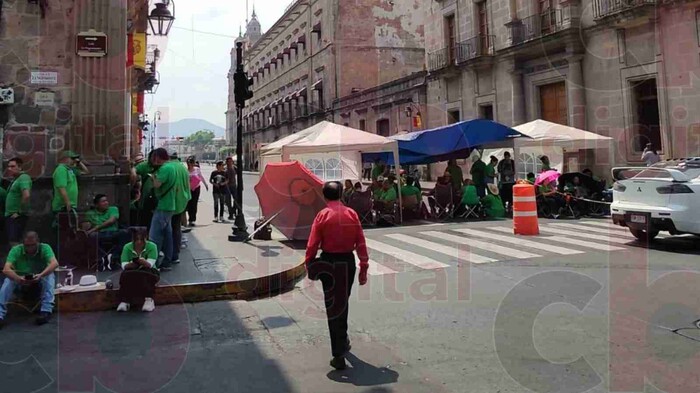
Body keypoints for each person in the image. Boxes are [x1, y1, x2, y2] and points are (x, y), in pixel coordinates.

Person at [304, 181, 369, 370]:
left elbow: (312, 244)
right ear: (341, 195)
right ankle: (343, 339)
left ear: (325, 196)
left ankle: (338, 353)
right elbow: (361, 242)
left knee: (333, 307)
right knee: (343, 303)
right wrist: (363, 266)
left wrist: (309, 263)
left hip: (329, 263)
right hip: (347, 263)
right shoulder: (351, 213)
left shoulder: (322, 215)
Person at [0, 232, 59, 328]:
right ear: (23, 244)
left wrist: (41, 275)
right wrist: (18, 278)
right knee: (8, 280)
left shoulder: (45, 248)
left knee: (49, 275)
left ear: (38, 243)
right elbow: (6, 269)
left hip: (39, 280)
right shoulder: (16, 250)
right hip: (20, 280)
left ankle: (46, 310)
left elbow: (54, 263)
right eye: (27, 246)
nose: (30, 248)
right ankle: (0, 315)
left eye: (33, 245)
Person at [147, 148, 181, 271]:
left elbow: (157, 184)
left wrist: (152, 178)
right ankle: (167, 261)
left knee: (154, 236)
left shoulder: (165, 169)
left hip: (162, 206)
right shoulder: (172, 167)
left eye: (153, 157)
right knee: (168, 235)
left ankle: (153, 264)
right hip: (169, 205)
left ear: (157, 157)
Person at [117, 228, 159, 313]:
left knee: (145, 273)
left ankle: (149, 300)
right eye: (136, 240)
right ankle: (125, 301)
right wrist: (133, 263)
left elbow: (150, 264)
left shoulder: (152, 246)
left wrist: (142, 261)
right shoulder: (127, 247)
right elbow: (124, 265)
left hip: (149, 270)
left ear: (146, 238)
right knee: (125, 274)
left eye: (141, 240)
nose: (139, 242)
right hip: (133, 269)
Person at [85, 194, 130, 271]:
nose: (106, 203)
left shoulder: (113, 209)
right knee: (91, 236)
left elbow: (111, 221)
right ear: (96, 205)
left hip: (113, 233)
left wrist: (95, 228)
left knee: (125, 233)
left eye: (106, 200)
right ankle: (100, 259)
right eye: (103, 201)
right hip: (99, 234)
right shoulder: (90, 213)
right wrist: (86, 226)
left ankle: (114, 257)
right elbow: (85, 226)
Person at [167, 151, 191, 265]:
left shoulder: (168, 167)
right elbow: (187, 184)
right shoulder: (183, 168)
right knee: (176, 228)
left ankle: (169, 254)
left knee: (168, 229)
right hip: (182, 200)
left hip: (170, 202)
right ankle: (175, 254)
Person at [52, 150, 89, 217]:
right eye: (72, 158)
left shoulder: (70, 170)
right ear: (65, 159)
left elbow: (86, 171)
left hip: (70, 205)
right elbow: (61, 187)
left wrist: (79, 162)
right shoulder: (61, 169)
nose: (74, 160)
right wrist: (67, 202)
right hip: (62, 206)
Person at [4, 158, 32, 246]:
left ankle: (18, 259)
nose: (9, 169)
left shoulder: (23, 177)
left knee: (14, 242)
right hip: (12, 215)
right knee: (13, 241)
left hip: (17, 216)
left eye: (12, 166)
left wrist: (19, 212)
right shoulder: (16, 179)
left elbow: (26, 195)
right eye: (8, 166)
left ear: (20, 167)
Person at [186, 157, 208, 226]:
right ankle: (188, 218)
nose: (190, 166)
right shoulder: (185, 171)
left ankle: (192, 219)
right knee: (189, 203)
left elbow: (201, 177)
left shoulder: (197, 169)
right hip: (188, 189)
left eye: (191, 164)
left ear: (193, 164)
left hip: (196, 188)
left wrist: (205, 184)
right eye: (188, 164)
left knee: (194, 203)